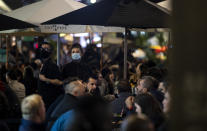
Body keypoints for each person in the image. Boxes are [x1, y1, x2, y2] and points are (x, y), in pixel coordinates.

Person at [38, 42, 63, 110]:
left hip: (50, 100)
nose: (43, 50)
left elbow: (60, 82)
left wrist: (45, 79)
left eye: (46, 48)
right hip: (44, 100)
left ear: (50, 51)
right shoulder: (44, 64)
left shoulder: (52, 65)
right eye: (42, 48)